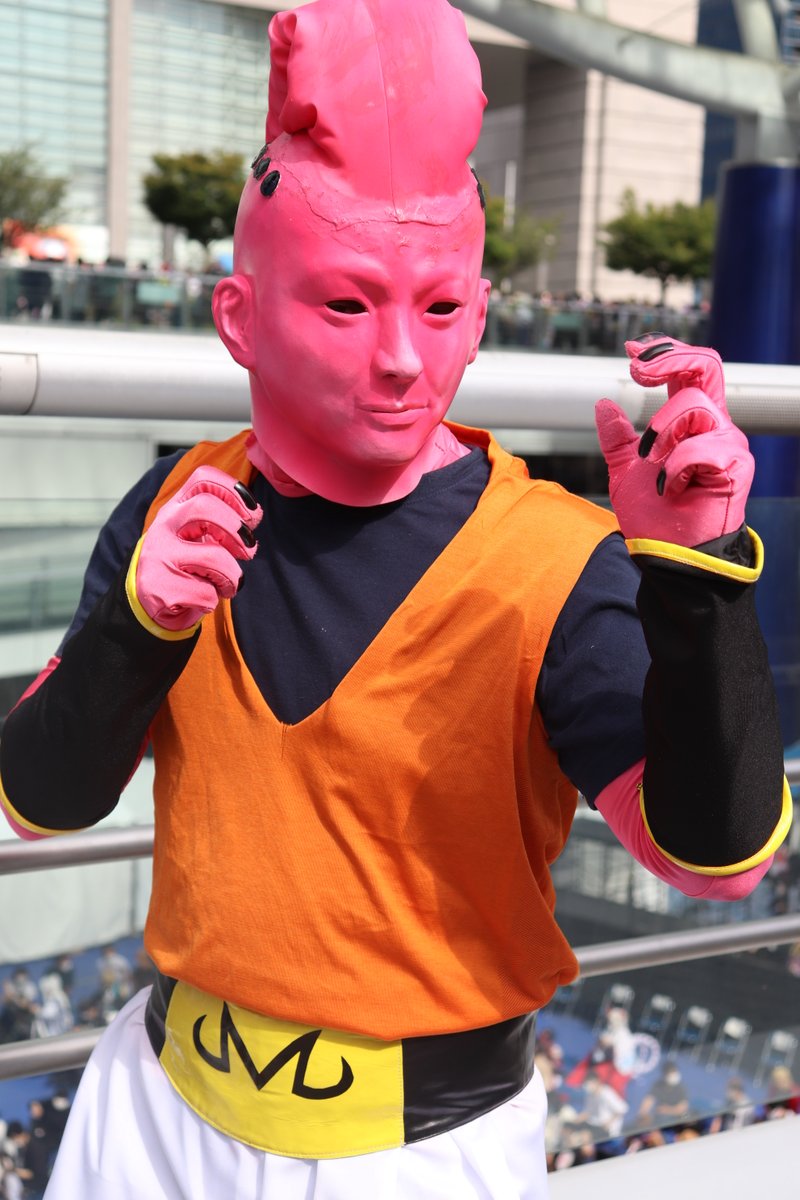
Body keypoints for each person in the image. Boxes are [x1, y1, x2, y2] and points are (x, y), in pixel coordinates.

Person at [0, 1, 791, 1196]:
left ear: (479, 315)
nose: (401, 360)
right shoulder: (177, 504)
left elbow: (715, 863)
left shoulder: (551, 556)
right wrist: (134, 631)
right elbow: (40, 803)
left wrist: (697, 588)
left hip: (418, 1150)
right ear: (238, 318)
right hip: (154, 1111)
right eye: (344, 303)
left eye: (437, 308)